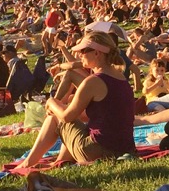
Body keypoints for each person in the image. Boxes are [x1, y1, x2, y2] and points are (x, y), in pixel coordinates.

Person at [19, 30, 135, 168]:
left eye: (83, 51)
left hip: (98, 151)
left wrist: (52, 102)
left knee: (55, 117)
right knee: (67, 116)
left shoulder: (94, 81)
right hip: (123, 148)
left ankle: (27, 163)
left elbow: (66, 117)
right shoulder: (120, 76)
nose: (79, 54)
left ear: (97, 53)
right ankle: (60, 161)